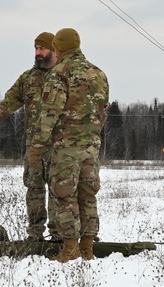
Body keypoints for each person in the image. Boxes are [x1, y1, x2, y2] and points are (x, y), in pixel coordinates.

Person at [32, 27, 109, 262]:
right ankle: (88, 248)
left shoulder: (59, 74)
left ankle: (70, 248)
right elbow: (102, 111)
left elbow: (49, 114)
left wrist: (36, 147)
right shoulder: (99, 74)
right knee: (87, 196)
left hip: (66, 147)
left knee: (64, 196)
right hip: (91, 147)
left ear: (58, 47)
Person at [0, 32, 56, 242]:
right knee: (34, 190)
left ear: (54, 50)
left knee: (60, 192)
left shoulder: (64, 76)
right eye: (36, 48)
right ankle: (35, 236)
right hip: (34, 148)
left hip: (60, 147)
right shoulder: (28, 79)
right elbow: (7, 103)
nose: (38, 53)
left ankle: (60, 237)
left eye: (42, 48)